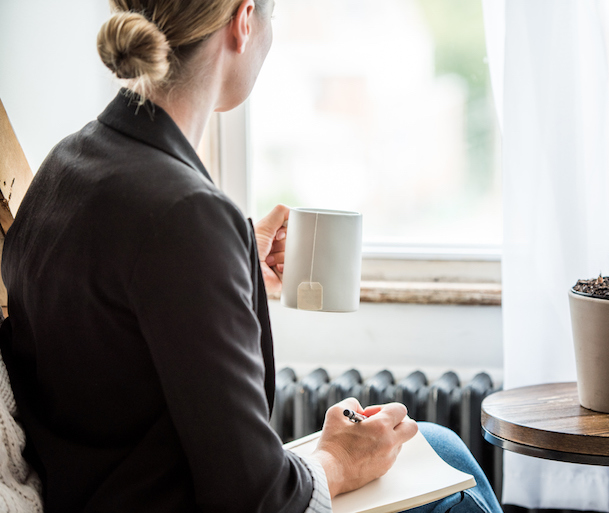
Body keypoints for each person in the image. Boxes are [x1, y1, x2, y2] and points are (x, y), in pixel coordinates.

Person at [0, 1, 503, 512]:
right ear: (243, 21)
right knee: (451, 488)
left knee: (439, 446)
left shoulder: (63, 167)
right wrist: (338, 458)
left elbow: (120, 332)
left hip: (96, 488)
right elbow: (257, 498)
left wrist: (231, 265)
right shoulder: (186, 214)